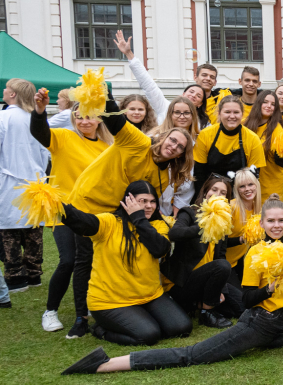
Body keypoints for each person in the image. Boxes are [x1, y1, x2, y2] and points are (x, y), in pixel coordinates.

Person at [62, 196, 283, 376]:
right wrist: (268, 290)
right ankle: (104, 364)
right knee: (192, 355)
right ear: (263, 223)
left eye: (281, 220)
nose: (276, 225)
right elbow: (250, 298)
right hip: (258, 324)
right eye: (271, 221)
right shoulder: (257, 253)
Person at [61, 181, 191, 345]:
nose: (149, 206)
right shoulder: (109, 222)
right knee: (149, 335)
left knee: (181, 328)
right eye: (143, 201)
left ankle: (140, 318)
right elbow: (82, 221)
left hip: (150, 296)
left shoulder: (158, 225)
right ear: (128, 202)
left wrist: (139, 219)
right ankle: (100, 330)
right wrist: (58, 206)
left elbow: (159, 249)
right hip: (110, 302)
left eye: (152, 201)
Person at [30, 93, 112, 335]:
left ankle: (89, 306)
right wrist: (39, 111)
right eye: (79, 117)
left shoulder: (108, 147)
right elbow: (40, 133)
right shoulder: (64, 137)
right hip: (63, 210)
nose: (84, 121)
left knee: (92, 262)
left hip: (94, 213)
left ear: (99, 119)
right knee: (68, 259)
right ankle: (50, 311)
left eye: (89, 117)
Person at [160, 176, 241, 329]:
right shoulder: (189, 212)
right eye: (214, 189)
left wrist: (220, 289)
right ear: (205, 192)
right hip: (181, 282)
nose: (217, 194)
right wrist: (203, 226)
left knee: (240, 308)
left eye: (223, 193)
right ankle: (206, 313)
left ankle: (196, 304)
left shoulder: (223, 221)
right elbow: (174, 234)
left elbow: (220, 255)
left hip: (207, 279)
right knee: (222, 266)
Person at [0, 79, 49, 297]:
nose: (3, 91)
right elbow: (45, 152)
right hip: (35, 181)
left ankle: (15, 277)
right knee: (33, 229)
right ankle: (34, 273)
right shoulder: (35, 119)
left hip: (8, 180)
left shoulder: (3, 118)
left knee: (9, 230)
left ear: (13, 94)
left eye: (6, 89)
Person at [192, 95, 266, 195]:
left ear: (242, 114)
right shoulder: (205, 135)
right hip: (210, 193)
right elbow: (199, 172)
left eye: (236, 112)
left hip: (239, 194)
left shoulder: (253, 139)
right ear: (219, 113)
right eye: (227, 112)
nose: (232, 116)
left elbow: (253, 177)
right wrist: (202, 198)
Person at [244, 90, 283, 202]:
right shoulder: (245, 124)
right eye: (265, 102)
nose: (269, 106)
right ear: (258, 103)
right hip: (247, 185)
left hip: (271, 185)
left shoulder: (278, 130)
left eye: (273, 104)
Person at [226, 169, 261, 283]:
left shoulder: (258, 208)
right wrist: (241, 239)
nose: (247, 189)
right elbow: (218, 242)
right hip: (224, 263)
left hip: (240, 261)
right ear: (236, 189)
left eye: (250, 184)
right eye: (242, 186)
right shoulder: (231, 208)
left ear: (256, 185)